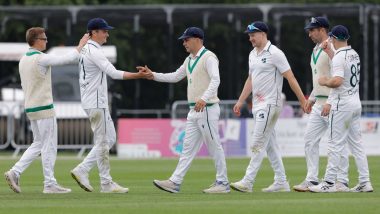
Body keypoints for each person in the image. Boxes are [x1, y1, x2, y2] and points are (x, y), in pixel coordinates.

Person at [137, 27, 230, 194]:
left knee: (213, 145)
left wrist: (204, 98)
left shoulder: (209, 57)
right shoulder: (189, 59)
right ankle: (175, 182)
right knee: (187, 148)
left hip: (207, 109)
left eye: (187, 39)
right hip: (194, 110)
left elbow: (216, 79)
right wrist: (153, 75)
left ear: (197, 39)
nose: (184, 42)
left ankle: (222, 183)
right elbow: (175, 76)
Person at [70, 18, 152, 193]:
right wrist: (139, 76)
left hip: (94, 102)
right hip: (96, 102)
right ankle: (105, 183)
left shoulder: (87, 49)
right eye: (104, 31)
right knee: (102, 141)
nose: (107, 34)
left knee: (110, 139)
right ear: (94, 33)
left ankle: (83, 169)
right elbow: (113, 73)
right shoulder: (93, 50)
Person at [4, 27, 89, 193]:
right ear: (36, 40)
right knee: (49, 146)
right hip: (44, 107)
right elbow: (66, 59)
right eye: (44, 38)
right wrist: (81, 45)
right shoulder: (40, 58)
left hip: (30, 107)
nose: (46, 41)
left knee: (38, 144)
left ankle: (15, 171)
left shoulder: (23, 59)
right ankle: (49, 183)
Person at [230, 21, 306, 193]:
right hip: (257, 105)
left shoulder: (275, 53)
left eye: (253, 35)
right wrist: (241, 101)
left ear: (263, 34)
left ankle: (248, 181)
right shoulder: (252, 54)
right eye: (249, 35)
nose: (250, 38)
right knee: (270, 145)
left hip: (271, 104)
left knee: (257, 141)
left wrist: (302, 100)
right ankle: (281, 181)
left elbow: (290, 77)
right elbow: (250, 79)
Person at [309, 25, 373, 193]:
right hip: (355, 104)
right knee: (357, 146)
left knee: (334, 144)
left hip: (341, 105)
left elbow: (337, 81)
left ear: (335, 39)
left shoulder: (339, 57)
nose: (329, 41)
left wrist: (324, 81)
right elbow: (340, 64)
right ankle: (365, 182)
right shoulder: (354, 54)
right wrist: (330, 52)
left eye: (331, 38)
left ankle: (329, 183)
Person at [293, 17, 350, 192]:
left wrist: (330, 102)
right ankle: (312, 179)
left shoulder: (332, 47)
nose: (309, 33)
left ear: (323, 30)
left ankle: (342, 181)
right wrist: (311, 98)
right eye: (309, 30)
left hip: (332, 103)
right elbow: (319, 79)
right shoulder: (316, 49)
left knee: (336, 142)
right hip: (319, 103)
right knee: (309, 140)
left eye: (313, 30)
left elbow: (338, 78)